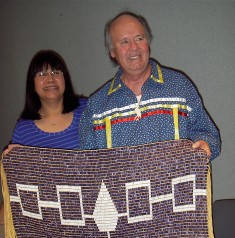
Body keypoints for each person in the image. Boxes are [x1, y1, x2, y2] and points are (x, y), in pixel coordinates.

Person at [79, 11, 221, 161]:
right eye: (124, 42)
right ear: (112, 51)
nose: (134, 47)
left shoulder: (180, 87)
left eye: (139, 38)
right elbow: (87, 162)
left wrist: (205, 144)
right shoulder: (96, 106)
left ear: (147, 42)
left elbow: (208, 133)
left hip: (175, 184)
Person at [0, 49, 87, 223]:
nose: (50, 79)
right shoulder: (23, 130)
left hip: (89, 213)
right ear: (32, 84)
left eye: (56, 72)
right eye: (41, 74)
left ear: (65, 79)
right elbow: (19, 185)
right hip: (46, 221)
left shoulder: (87, 111)